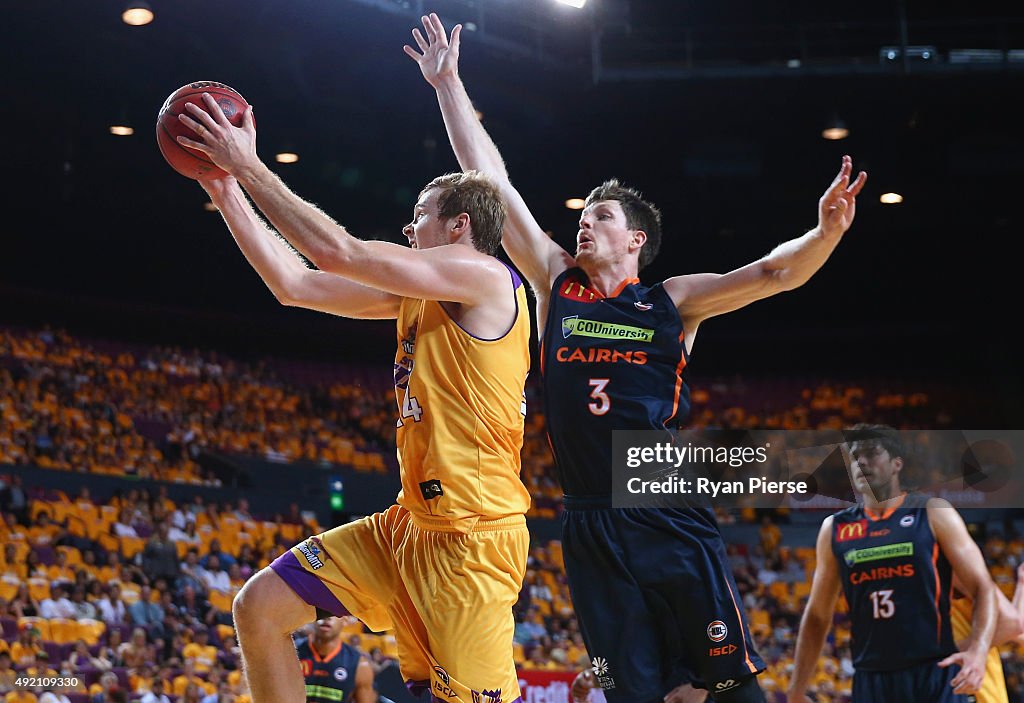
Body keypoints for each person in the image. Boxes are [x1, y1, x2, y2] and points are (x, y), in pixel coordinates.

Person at [406, 13, 867, 703]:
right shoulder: (555, 280)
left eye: (603, 215)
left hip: (661, 499)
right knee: (632, 690)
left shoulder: (671, 302)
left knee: (729, 682)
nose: (586, 220)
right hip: (589, 514)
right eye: (584, 213)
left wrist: (824, 232)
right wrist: (449, 86)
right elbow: (492, 181)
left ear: (637, 239)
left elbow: (773, 273)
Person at [176, 91, 531, 703]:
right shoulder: (418, 297)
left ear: (459, 226)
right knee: (259, 608)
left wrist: (248, 166)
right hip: (408, 526)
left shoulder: (486, 279)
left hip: (472, 541)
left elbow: (339, 251)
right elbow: (295, 284)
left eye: (419, 215)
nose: (408, 227)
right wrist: (224, 188)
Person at [787, 425, 1000, 702]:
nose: (861, 462)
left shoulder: (933, 512)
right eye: (854, 456)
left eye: (871, 453)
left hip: (933, 672)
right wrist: (796, 691)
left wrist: (978, 651)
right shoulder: (835, 528)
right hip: (871, 679)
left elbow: (984, 588)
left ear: (897, 463)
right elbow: (817, 616)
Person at [295, 617, 376, 703]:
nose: (327, 618)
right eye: (322, 611)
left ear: (345, 620)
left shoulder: (360, 665)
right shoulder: (290, 652)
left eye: (332, 613)